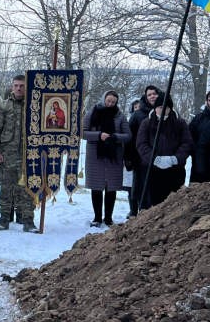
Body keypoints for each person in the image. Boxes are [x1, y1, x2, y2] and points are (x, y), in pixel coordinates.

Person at [0, 75, 36, 232]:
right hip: (7, 153)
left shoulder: (34, 105)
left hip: (28, 154)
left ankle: (28, 220)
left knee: (27, 187)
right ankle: (4, 218)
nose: (18, 88)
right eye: (16, 85)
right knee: (6, 187)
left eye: (22, 85)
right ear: (12, 86)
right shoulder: (4, 106)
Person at [82, 91, 132, 226]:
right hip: (95, 155)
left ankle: (108, 218)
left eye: (113, 102)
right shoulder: (92, 112)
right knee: (96, 187)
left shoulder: (119, 116)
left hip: (113, 156)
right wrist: (99, 135)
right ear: (103, 99)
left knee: (111, 188)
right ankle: (97, 217)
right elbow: (82, 132)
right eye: (108, 101)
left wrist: (115, 137)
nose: (110, 104)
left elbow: (128, 135)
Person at [136, 93, 193, 207]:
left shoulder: (179, 123)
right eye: (160, 107)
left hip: (175, 170)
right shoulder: (147, 123)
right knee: (154, 201)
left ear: (170, 108)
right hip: (152, 169)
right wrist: (154, 159)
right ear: (155, 108)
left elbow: (187, 143)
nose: (162, 110)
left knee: (173, 202)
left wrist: (175, 159)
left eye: (166, 108)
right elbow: (141, 144)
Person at [125, 85, 159, 216]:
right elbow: (129, 137)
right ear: (145, 97)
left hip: (161, 158)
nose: (152, 96)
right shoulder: (138, 115)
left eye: (155, 94)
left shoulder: (167, 111)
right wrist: (128, 158)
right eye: (149, 94)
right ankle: (142, 216)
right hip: (141, 159)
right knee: (143, 189)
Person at [189, 91, 210, 183]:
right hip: (200, 161)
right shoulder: (198, 118)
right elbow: (189, 137)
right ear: (206, 101)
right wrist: (196, 148)